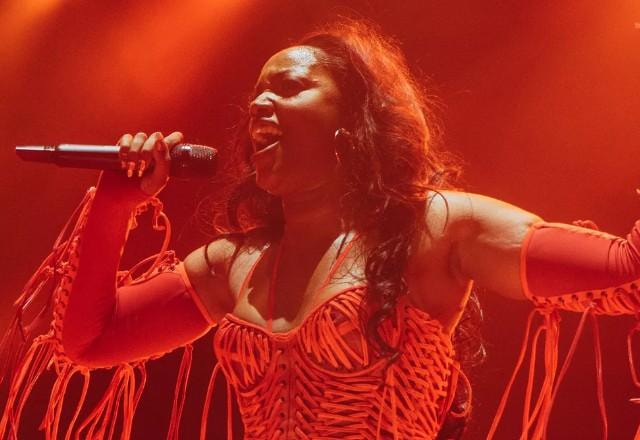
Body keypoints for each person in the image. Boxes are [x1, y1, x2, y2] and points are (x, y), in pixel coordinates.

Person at [1, 19, 639, 440]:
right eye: (254, 94)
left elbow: (627, 276)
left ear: (353, 119)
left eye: (290, 87)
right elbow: (87, 341)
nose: (258, 104)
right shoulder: (235, 262)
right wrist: (115, 202)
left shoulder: (437, 227)